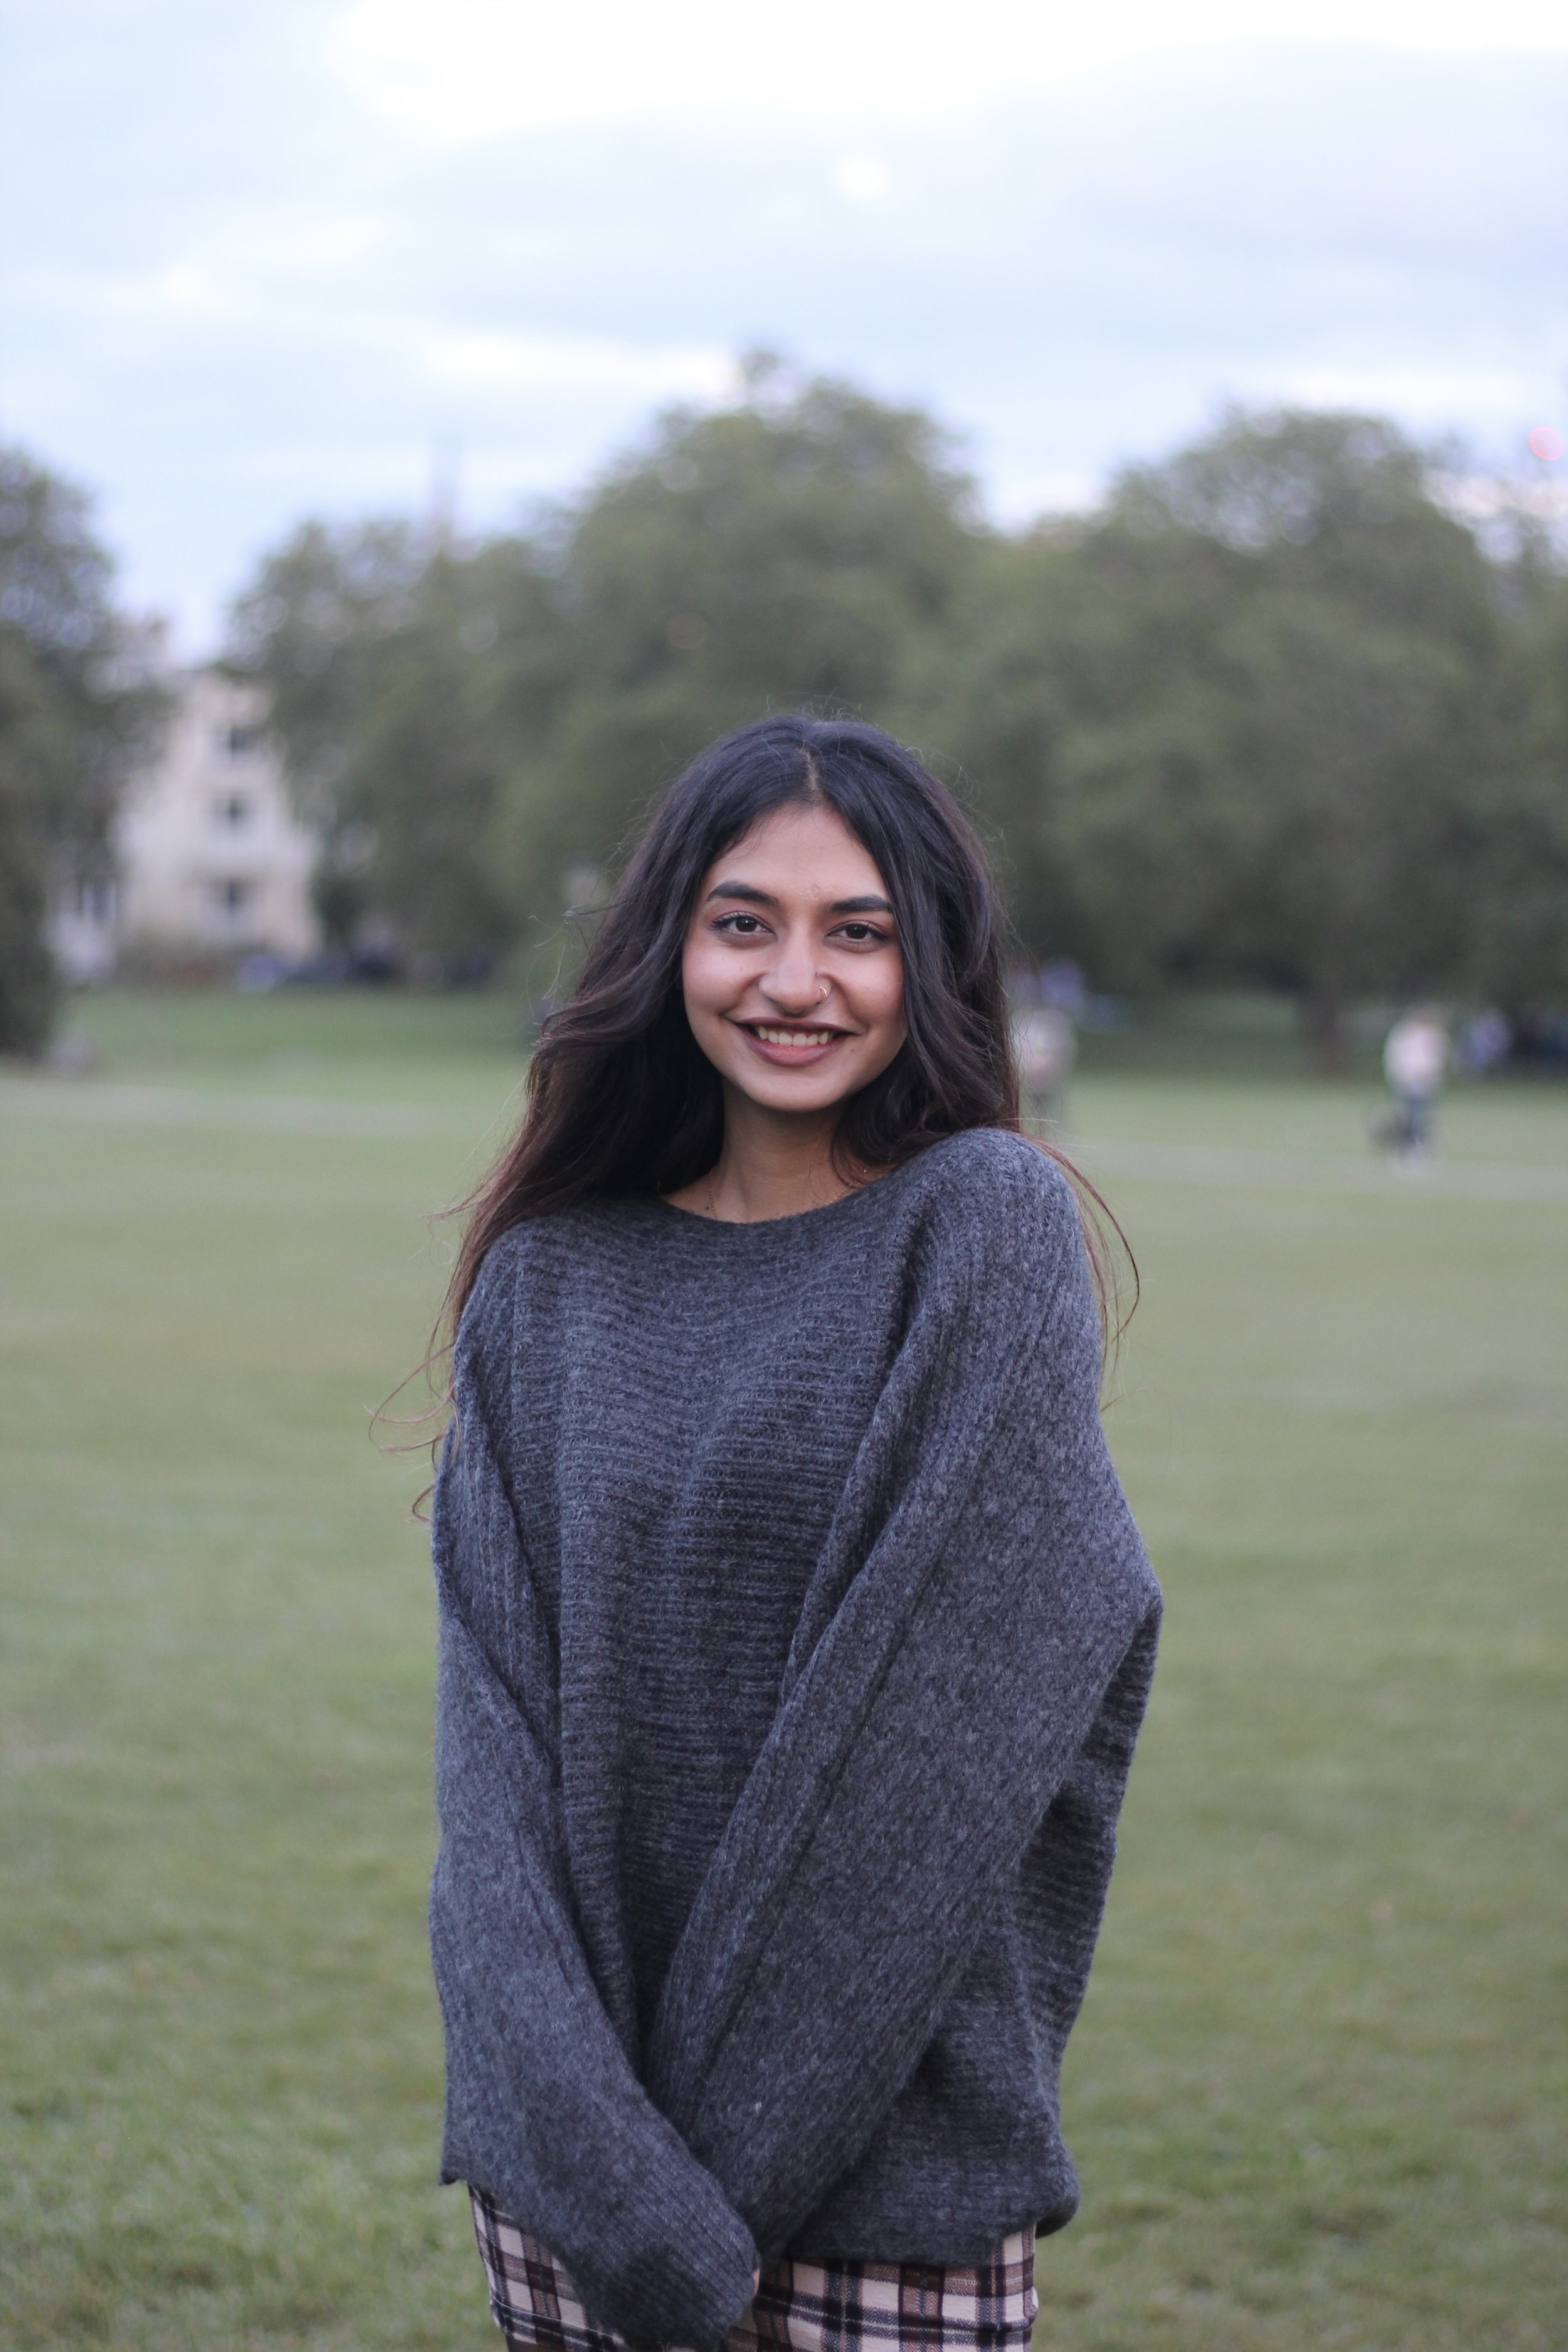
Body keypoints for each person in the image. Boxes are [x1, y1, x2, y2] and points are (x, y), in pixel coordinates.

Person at [427, 716, 1162, 2352]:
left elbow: (935, 1753)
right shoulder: (551, 1279)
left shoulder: (982, 1230)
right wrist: (604, 2176)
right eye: (743, 919)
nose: (792, 978)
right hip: (576, 2204)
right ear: (668, 939)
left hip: (875, 2199)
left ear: (931, 963)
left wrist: (702, 2207)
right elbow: (492, 1762)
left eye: (859, 930)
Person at [1376, 1005, 1449, 1160]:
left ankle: (1419, 1147)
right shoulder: (1403, 1033)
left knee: (1423, 1117)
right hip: (1406, 1082)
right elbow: (1395, 1055)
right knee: (1407, 1115)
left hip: (1425, 1084)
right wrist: (1399, 1075)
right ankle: (1403, 1148)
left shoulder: (1433, 1034)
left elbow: (1437, 1058)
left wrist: (1432, 1076)